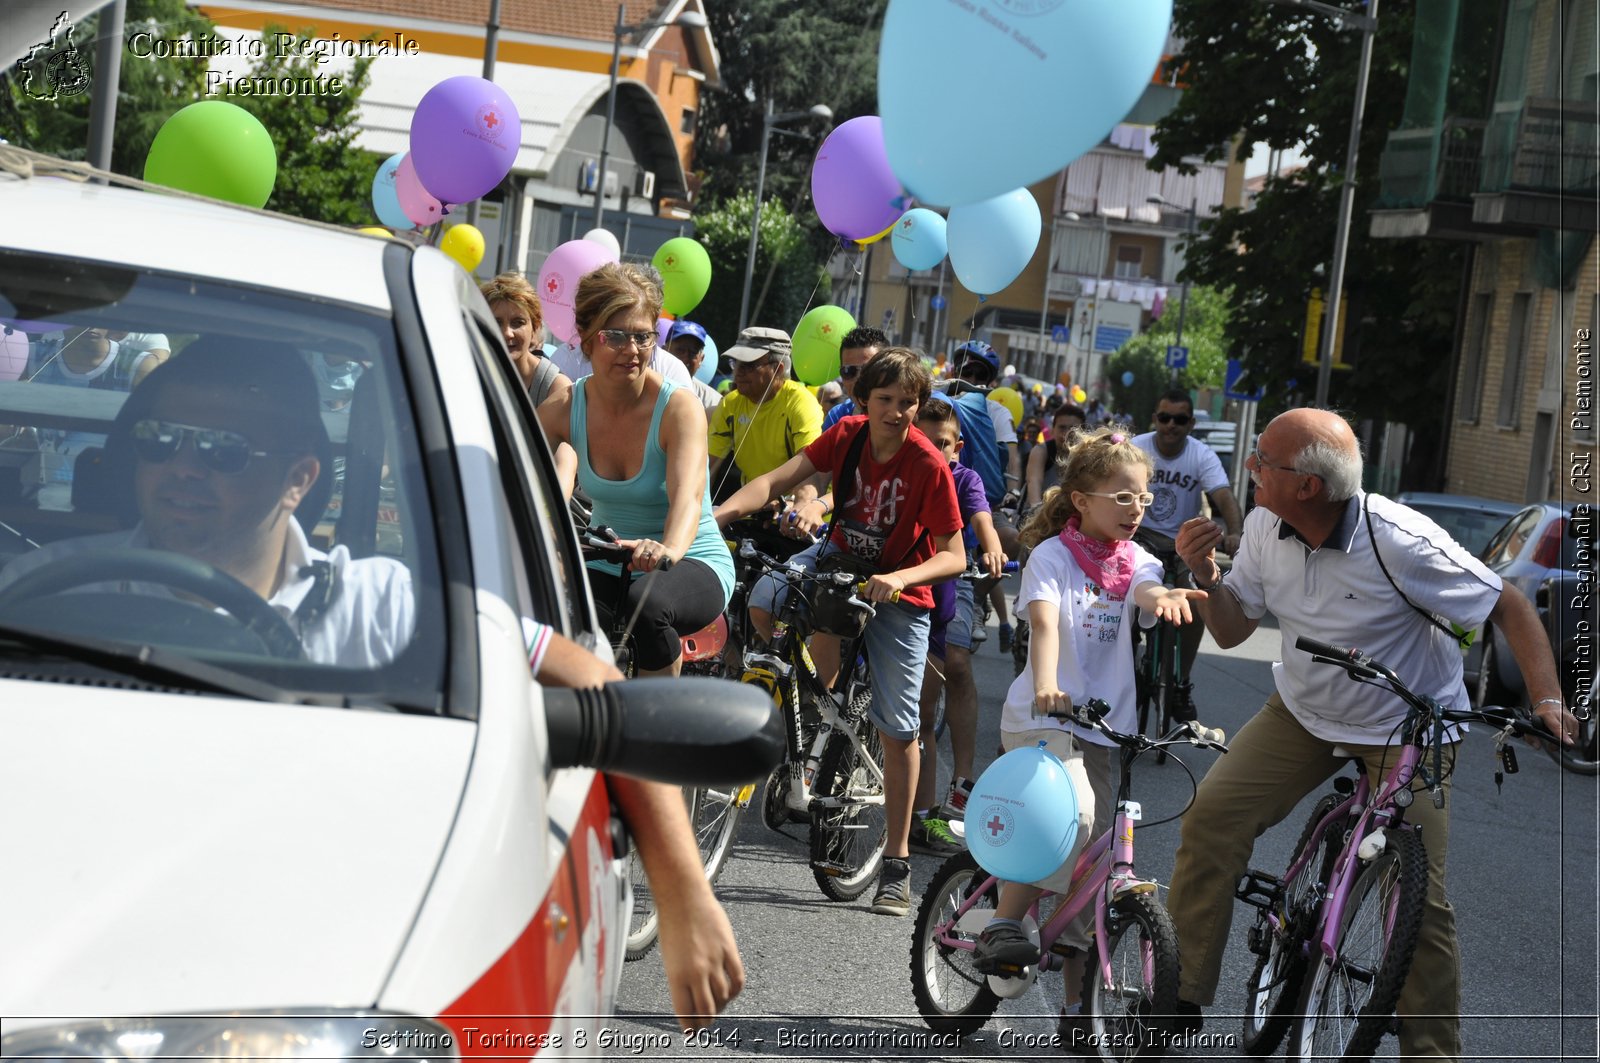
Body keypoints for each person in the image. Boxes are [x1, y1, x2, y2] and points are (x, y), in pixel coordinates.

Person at [1165, 408, 1580, 1057]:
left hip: (1406, 724)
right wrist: (1206, 576)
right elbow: (1231, 629)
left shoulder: (1399, 540)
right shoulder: (1263, 526)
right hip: (1302, 710)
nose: (1250, 467)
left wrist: (1548, 698)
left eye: (1264, 461)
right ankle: (1180, 992)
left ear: (1308, 485)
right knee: (1212, 816)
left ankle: (1431, 1053)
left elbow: (1508, 603)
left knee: (1415, 900)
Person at [714, 348, 965, 917]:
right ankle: (811, 715)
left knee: (901, 730)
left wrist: (899, 577)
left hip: (901, 591)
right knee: (762, 598)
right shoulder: (847, 436)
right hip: (836, 560)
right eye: (885, 401)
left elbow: (953, 554)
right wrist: (714, 517)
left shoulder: (928, 465)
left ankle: (896, 862)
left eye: (908, 403)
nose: (897, 412)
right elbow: (777, 479)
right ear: (862, 402)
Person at [971, 428, 1204, 1040]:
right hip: (1044, 717)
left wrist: (1168, 595)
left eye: (1144, 499)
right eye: (1121, 498)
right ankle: (1006, 920)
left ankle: (1077, 1006)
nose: (1136, 509)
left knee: (1091, 871)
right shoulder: (1052, 556)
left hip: (1104, 727)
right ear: (1080, 500)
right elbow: (1044, 625)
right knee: (1067, 820)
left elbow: (1147, 588)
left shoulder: (1137, 561)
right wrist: (1047, 683)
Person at [0, 339, 415, 667]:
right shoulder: (45, 591)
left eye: (223, 449)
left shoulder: (380, 611)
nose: (183, 467)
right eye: (159, 439)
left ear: (298, 480)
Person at [521, 618, 744, 1025]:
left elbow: (611, 700)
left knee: (654, 610)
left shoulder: (409, 600)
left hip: (670, 576)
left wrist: (683, 896)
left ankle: (665, 702)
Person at [536, 263, 734, 679]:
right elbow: (513, 474)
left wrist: (669, 549)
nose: (633, 350)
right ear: (587, 339)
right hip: (609, 558)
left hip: (689, 559)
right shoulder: (564, 408)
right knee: (546, 607)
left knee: (647, 607)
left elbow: (688, 499)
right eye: (616, 336)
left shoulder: (678, 407)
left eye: (643, 336)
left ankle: (656, 732)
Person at [909, 397, 1006, 854]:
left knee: (958, 663)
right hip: (904, 579)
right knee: (918, 705)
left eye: (942, 443)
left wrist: (990, 548)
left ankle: (962, 781)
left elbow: (982, 519)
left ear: (957, 447)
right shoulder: (905, 472)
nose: (933, 449)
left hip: (954, 580)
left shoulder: (964, 478)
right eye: (924, 440)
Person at [1129, 389, 1244, 718]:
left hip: (1183, 542)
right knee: (1127, 593)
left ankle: (1179, 682)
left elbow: (1223, 497)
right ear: (1155, 419)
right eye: (1164, 418)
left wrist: (1234, 533)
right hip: (1141, 537)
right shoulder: (1137, 449)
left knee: (1199, 597)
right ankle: (1124, 668)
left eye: (1179, 420)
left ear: (1191, 423)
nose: (1171, 426)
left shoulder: (1202, 455)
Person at [947, 340, 1021, 652]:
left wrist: (1014, 489)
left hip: (984, 501)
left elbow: (1013, 457)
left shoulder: (996, 411)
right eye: (964, 368)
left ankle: (975, 598)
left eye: (979, 372)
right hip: (940, 496)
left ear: (990, 381)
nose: (970, 376)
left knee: (1012, 541)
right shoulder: (938, 402)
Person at [707, 326, 824, 502]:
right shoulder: (729, 403)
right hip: (749, 503)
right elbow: (707, 469)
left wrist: (799, 505)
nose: (738, 371)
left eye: (749, 365)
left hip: (789, 509)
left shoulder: (801, 403)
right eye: (736, 363)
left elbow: (810, 468)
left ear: (778, 369)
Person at [480, 272, 572, 409]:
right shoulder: (469, 372)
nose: (507, 333)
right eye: (496, 323)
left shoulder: (555, 389)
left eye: (518, 322)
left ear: (535, 327)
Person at [819, 326, 889, 430]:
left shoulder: (903, 417)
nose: (858, 380)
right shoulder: (837, 417)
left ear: (888, 370)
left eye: (867, 370)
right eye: (848, 371)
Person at [1024, 403, 1087, 513]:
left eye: (1073, 429)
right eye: (1062, 428)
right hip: (1035, 516)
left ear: (1083, 433)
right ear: (1052, 430)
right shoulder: (1041, 451)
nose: (1066, 434)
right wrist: (1037, 511)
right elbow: (1033, 481)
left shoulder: (1088, 457)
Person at [664, 320, 722, 413]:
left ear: (701, 359)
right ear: (664, 351)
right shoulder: (645, 387)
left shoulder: (713, 401)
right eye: (680, 350)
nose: (686, 357)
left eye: (693, 352)